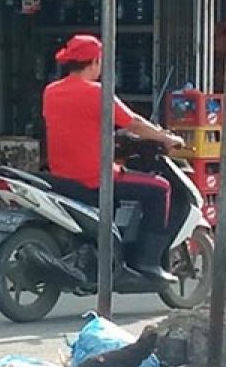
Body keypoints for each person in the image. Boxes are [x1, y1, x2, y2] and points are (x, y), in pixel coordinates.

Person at [42, 34, 184, 281]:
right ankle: (147, 261)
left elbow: (77, 126)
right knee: (160, 189)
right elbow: (135, 124)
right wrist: (165, 138)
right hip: (95, 178)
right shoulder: (97, 93)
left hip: (62, 177)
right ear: (95, 62)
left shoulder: (51, 92)